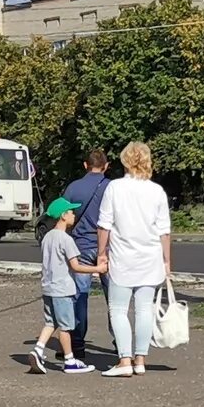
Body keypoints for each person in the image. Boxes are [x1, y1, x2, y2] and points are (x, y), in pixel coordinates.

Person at [93, 140, 174, 377]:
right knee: (144, 310)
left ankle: (124, 360)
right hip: (151, 258)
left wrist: (101, 254)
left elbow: (104, 225)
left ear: (125, 160)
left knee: (118, 309)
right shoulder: (156, 191)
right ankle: (140, 360)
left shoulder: (115, 188)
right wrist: (166, 260)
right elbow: (164, 230)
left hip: (122, 259)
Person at [28, 196, 100, 374]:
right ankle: (69, 360)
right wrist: (98, 268)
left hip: (48, 287)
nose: (74, 215)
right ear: (62, 216)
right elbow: (75, 266)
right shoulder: (66, 240)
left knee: (50, 323)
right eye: (71, 212)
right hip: (63, 289)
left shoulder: (47, 238)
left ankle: (37, 349)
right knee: (66, 327)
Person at [59, 147, 113, 362]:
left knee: (80, 297)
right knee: (114, 298)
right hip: (108, 248)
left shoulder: (74, 187)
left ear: (85, 165)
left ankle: (77, 345)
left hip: (80, 246)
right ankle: (121, 344)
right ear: (106, 166)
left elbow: (62, 213)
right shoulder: (112, 188)